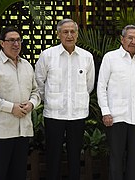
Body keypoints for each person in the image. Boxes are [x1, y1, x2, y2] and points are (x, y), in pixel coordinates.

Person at [0, 26, 41, 180]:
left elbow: (36, 91)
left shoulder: (26, 65)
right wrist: (11, 108)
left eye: (18, 40)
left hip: (22, 131)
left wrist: (32, 104)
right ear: (1, 43)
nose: (16, 44)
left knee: (18, 175)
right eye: (11, 40)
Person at [35, 18, 95, 180]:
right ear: (58, 34)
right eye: (65, 32)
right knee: (53, 157)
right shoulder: (47, 56)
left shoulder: (86, 57)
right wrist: (50, 100)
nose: (69, 35)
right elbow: (39, 83)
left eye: (72, 31)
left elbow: (89, 85)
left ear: (77, 34)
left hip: (78, 114)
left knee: (75, 156)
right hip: (54, 114)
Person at [97, 25, 135, 180]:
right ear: (122, 39)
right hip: (116, 117)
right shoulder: (110, 58)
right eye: (130, 37)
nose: (133, 41)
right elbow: (101, 86)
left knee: (134, 159)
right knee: (116, 158)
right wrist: (105, 112)